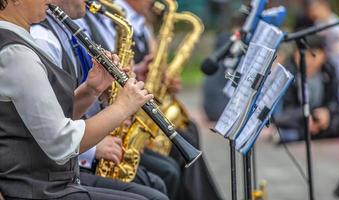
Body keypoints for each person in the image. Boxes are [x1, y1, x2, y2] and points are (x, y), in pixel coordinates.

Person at [0, 0, 154, 199]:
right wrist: (122, 107)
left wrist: (91, 89)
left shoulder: (17, 42)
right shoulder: (15, 53)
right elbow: (61, 143)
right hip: (37, 190)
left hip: (51, 183)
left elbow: (46, 120)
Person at [114, 1, 223, 200]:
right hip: (125, 122)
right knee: (172, 164)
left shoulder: (142, 25)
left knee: (189, 131)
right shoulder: (115, 19)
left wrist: (165, 81)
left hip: (139, 109)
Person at [274, 35, 339, 142]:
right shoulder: (288, 73)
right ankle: (322, 134)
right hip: (298, 117)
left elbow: (335, 102)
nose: (307, 60)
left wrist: (327, 113)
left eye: (312, 55)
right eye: (302, 55)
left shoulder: (329, 71)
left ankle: (308, 134)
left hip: (320, 117)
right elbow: (285, 109)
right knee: (283, 123)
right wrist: (307, 115)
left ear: (323, 55)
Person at [308, 0, 339, 112]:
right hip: (327, 55)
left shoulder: (333, 20)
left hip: (338, 55)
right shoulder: (318, 23)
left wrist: (337, 46)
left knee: (338, 81)